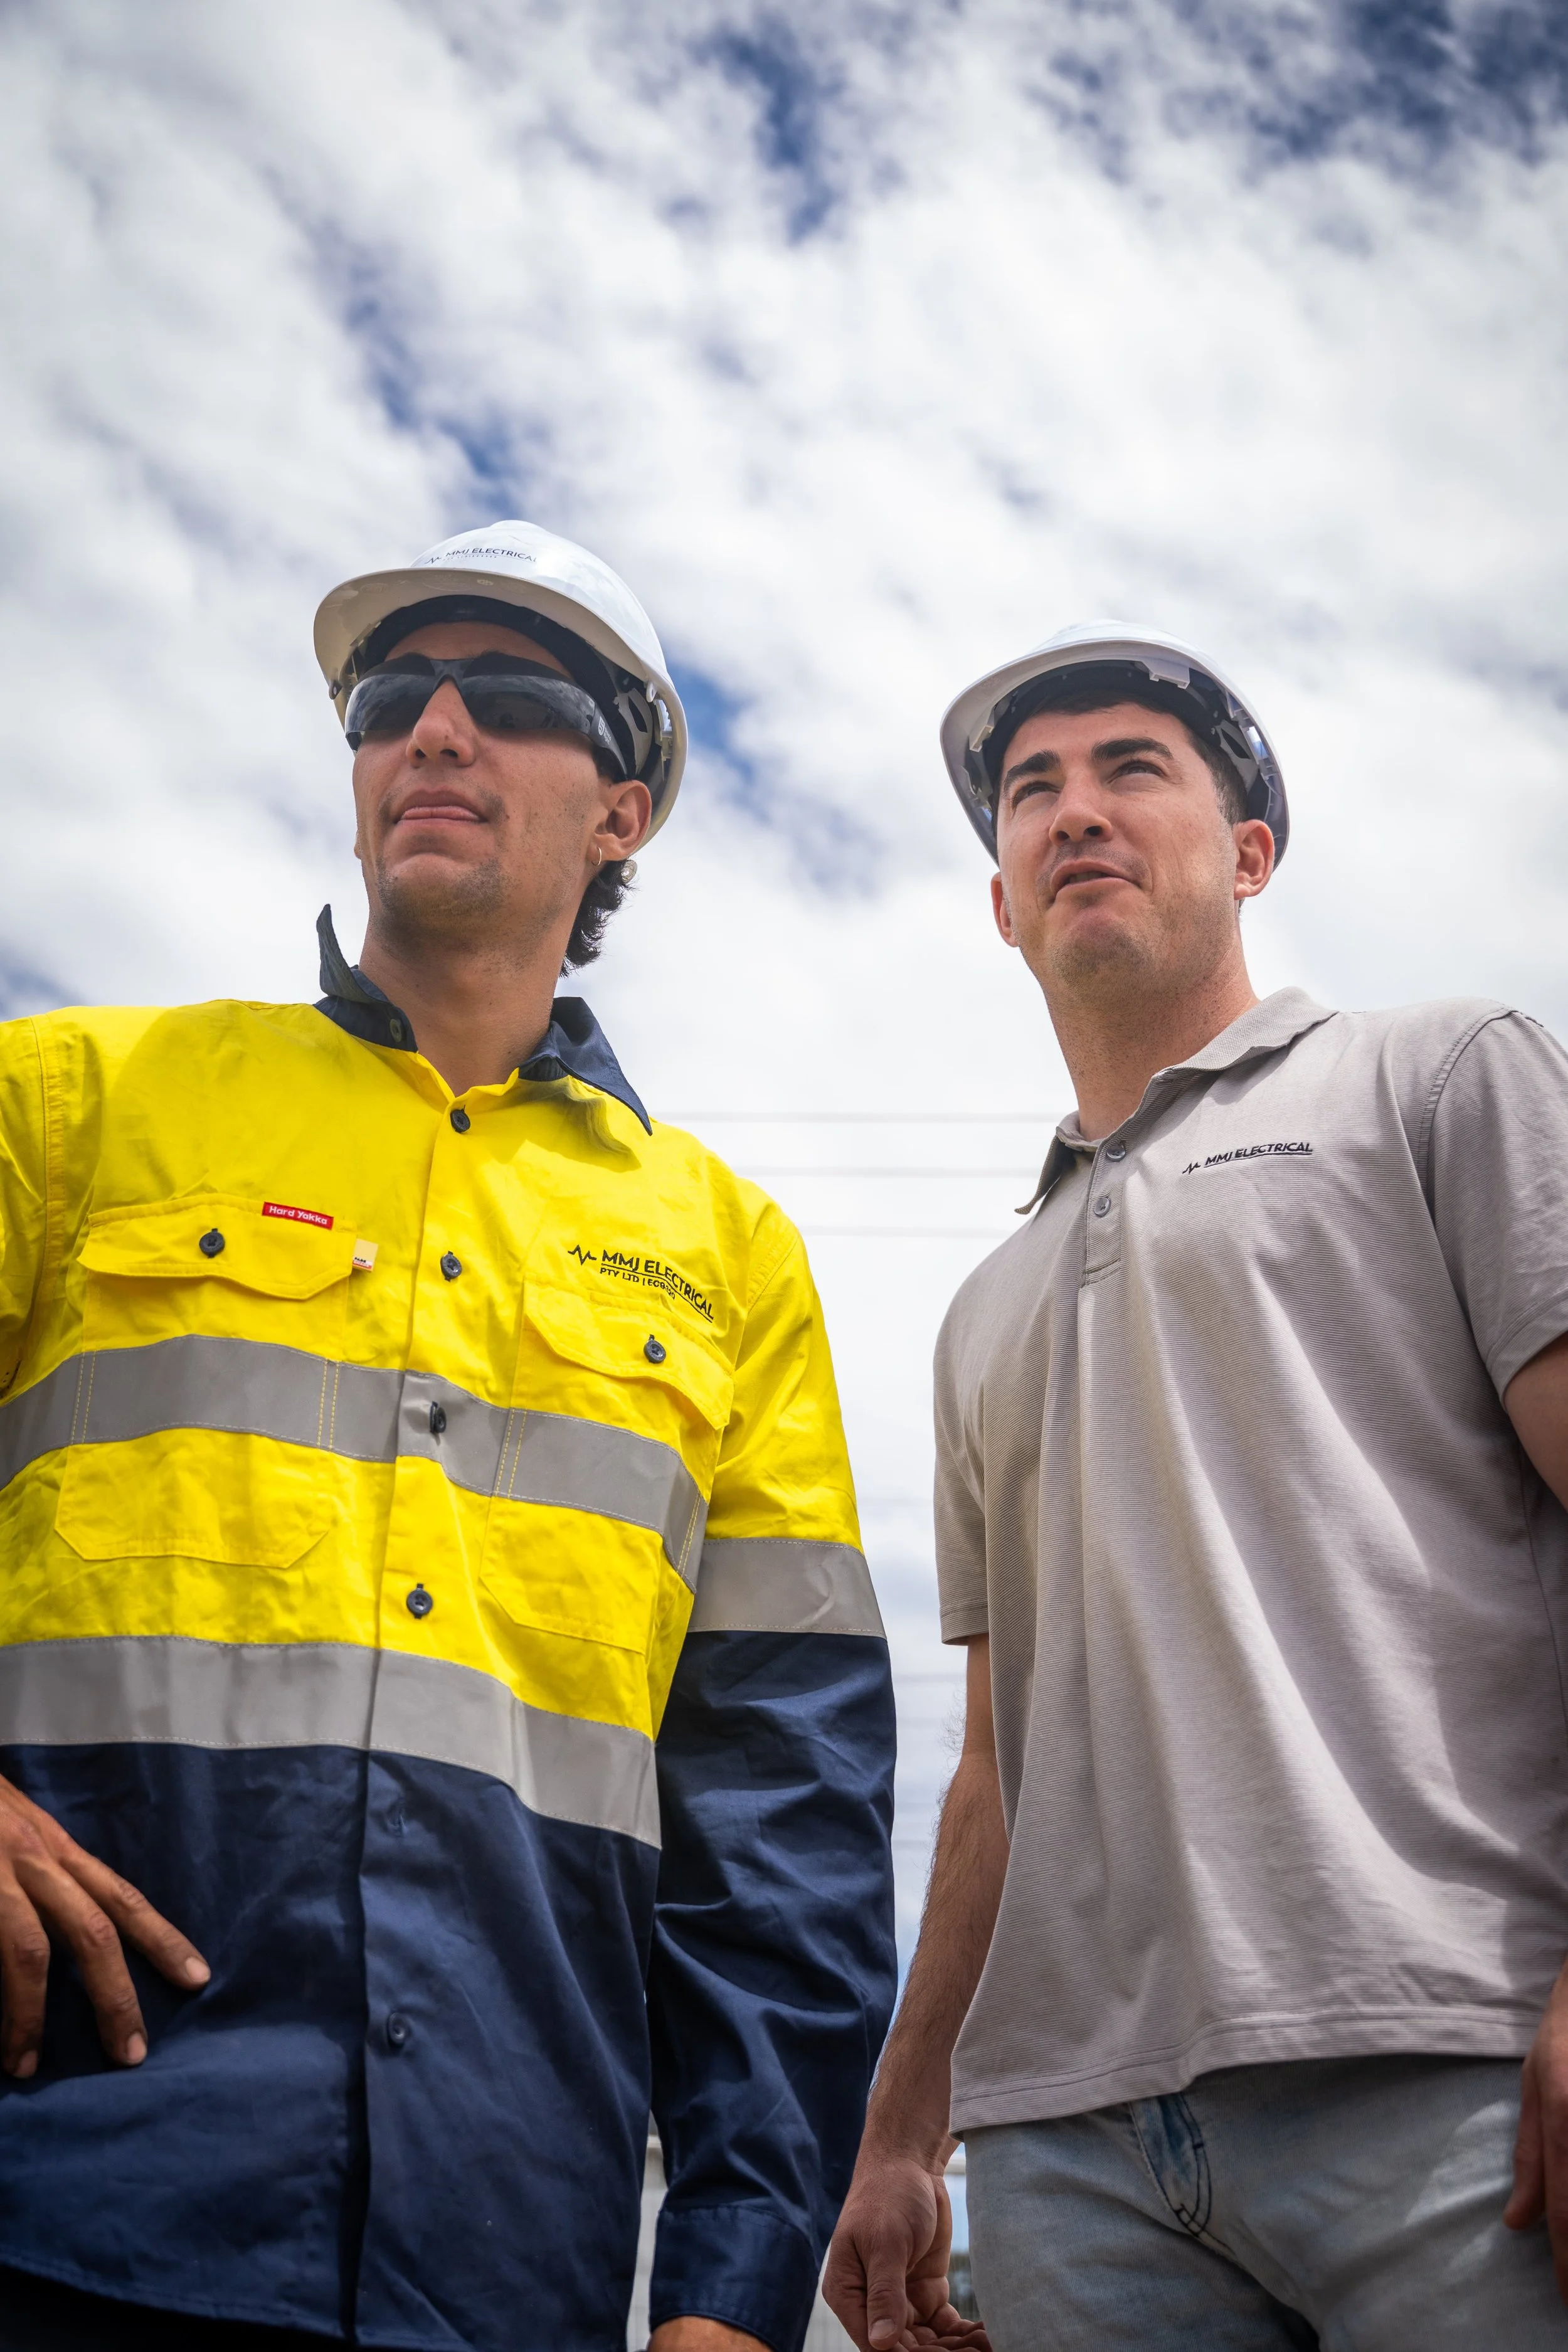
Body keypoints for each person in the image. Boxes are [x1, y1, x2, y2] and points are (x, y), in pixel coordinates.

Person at [0, 521, 896, 2352]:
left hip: (502, 2259)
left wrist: (732, 2287)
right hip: (62, 2182)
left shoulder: (730, 1257)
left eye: (511, 697)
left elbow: (779, 1807)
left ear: (621, 808)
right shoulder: (74, 1102)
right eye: (394, 694)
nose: (437, 728)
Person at [825, 620, 1568, 2350]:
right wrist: (899, 2125)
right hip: (1073, 2165)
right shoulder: (978, 1312)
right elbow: (998, 1763)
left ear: (1245, 856)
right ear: (1000, 904)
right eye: (1030, 791)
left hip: (1444, 2077)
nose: (1072, 809)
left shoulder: (1435, 1076)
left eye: (1129, 769)